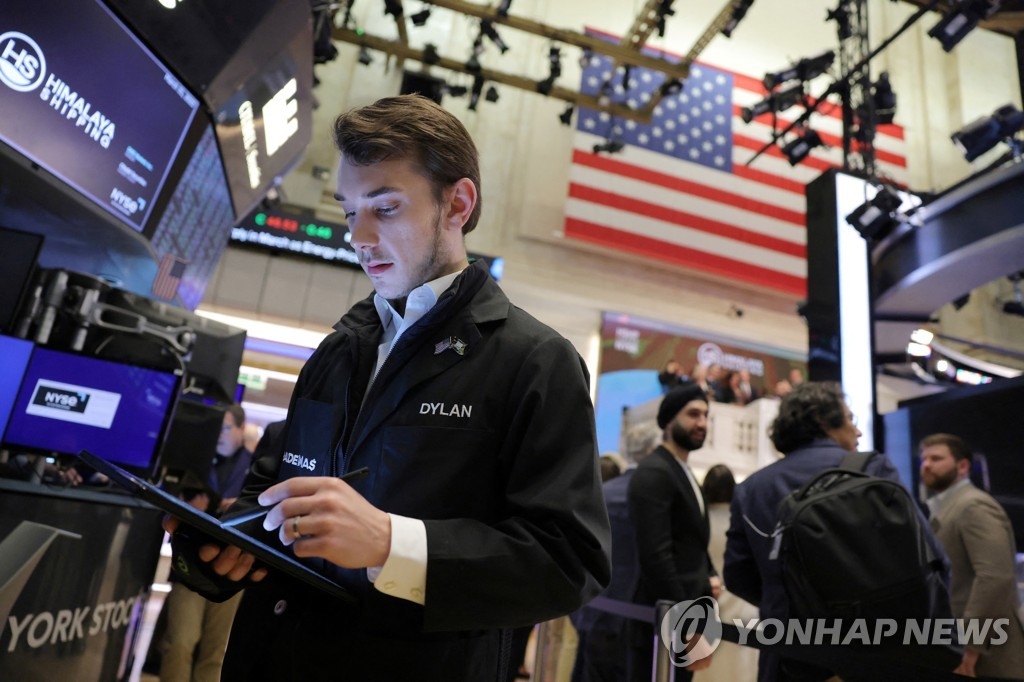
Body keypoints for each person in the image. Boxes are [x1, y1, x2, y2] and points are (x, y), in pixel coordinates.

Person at [165, 94, 611, 682]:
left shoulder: (535, 361)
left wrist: (390, 542)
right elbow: (272, 487)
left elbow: (569, 561)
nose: (360, 236)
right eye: (351, 211)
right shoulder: (339, 349)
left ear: (458, 204)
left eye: (386, 207)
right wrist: (224, 545)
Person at [722, 381, 945, 682]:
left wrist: (788, 602)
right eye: (851, 419)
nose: (858, 431)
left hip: (789, 655)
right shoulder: (872, 470)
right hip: (872, 653)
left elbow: (737, 575)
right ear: (822, 420)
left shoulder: (751, 489)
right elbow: (930, 557)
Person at [627, 382, 719, 681]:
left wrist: (710, 574)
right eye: (693, 414)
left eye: (705, 416)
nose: (702, 423)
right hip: (664, 623)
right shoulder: (655, 471)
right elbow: (656, 556)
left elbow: (691, 540)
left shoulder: (681, 470)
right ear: (669, 421)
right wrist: (687, 624)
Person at [159, 404, 254, 682]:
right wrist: (188, 510)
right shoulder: (194, 463)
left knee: (216, 651)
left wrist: (240, 509)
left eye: (225, 428)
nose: (219, 435)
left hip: (233, 569)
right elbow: (165, 513)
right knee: (179, 642)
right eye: (215, 429)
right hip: (190, 566)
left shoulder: (256, 469)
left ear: (241, 429)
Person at [919, 433, 1024, 678]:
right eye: (924, 459)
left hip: (989, 654)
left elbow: (995, 576)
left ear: (963, 466)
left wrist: (970, 645)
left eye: (936, 458)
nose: (927, 465)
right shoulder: (951, 506)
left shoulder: (973, 506)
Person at [694, 464, 757, 682]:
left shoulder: (699, 523)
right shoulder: (742, 520)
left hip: (707, 600)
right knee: (740, 669)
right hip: (742, 603)